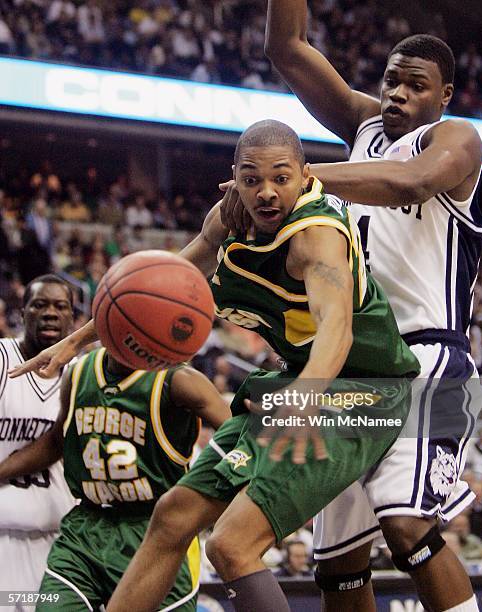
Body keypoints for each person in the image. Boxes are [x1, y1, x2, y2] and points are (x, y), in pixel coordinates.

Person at [10, 120, 419, 612]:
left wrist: (306, 396)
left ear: (306, 176)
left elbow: (337, 328)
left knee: (230, 544)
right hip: (296, 381)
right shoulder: (226, 221)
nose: (266, 192)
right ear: (234, 178)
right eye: (252, 179)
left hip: (362, 391)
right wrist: (75, 341)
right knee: (173, 514)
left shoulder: (316, 238)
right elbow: (154, 286)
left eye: (281, 178)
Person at [262, 3, 482, 611]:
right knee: (338, 564)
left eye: (417, 85)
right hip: (354, 366)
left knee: (407, 525)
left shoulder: (457, 138)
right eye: (392, 80)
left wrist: (300, 179)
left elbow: (411, 182)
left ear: (444, 94)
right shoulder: (364, 127)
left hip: (425, 357)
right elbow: (288, 48)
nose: (397, 94)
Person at [0, 346, 230, 611]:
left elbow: (242, 435)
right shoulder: (79, 373)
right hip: (86, 529)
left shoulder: (179, 380)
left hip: (155, 530)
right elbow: (56, 441)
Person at [0, 274, 75, 611]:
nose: (50, 313)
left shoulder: (83, 374)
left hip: (57, 545)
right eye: (39, 305)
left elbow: (57, 443)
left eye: (61, 306)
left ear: (74, 317)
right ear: (22, 311)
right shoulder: (3, 359)